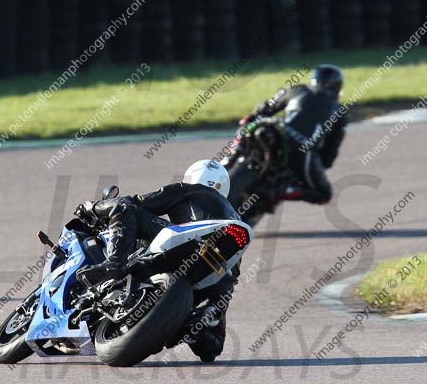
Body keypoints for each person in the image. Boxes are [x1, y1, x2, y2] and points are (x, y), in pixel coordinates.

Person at [74, 160, 240, 363]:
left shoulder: (189, 190)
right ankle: (197, 323)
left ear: (192, 177)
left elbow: (136, 202)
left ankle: (114, 263)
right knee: (212, 346)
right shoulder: (233, 215)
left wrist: (93, 208)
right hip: (218, 271)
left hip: (184, 248)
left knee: (125, 209)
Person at [239, 64, 347, 205]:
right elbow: (331, 148)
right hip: (302, 150)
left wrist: (255, 116)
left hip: (278, 130)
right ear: (337, 87)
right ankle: (281, 191)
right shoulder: (339, 111)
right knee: (324, 194)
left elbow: (264, 108)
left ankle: (235, 152)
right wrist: (322, 164)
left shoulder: (298, 89)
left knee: (250, 122)